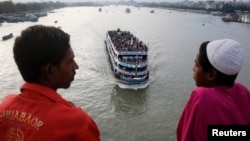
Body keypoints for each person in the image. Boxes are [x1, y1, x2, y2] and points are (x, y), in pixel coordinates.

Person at [0, 25, 100, 141]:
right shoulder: (76, 124)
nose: (76, 66)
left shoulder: (5, 107)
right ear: (50, 71)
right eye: (70, 61)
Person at [176, 39, 250, 141]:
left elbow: (185, 136)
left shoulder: (201, 96)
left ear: (211, 74)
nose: (193, 69)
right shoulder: (243, 91)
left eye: (197, 64)